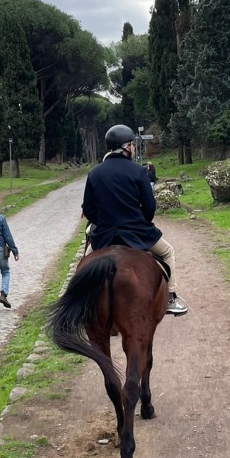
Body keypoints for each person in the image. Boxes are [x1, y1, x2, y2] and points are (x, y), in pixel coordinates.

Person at [82, 124, 188, 316]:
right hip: (136, 233)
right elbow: (149, 207)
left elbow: (88, 209)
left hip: (105, 235)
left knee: (86, 262)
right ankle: (171, 298)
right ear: (126, 147)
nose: (133, 148)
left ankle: (81, 302)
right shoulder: (138, 172)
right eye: (132, 144)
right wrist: (143, 222)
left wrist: (104, 222)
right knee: (167, 252)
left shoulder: (94, 173)